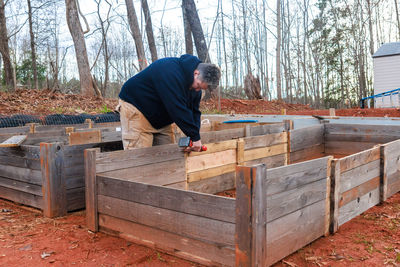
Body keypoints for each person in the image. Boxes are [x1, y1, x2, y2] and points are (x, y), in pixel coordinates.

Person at [117, 54, 221, 152]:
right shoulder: (169, 71)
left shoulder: (195, 89)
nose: (198, 90)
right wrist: (195, 138)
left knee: (169, 156)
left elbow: (194, 112)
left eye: (201, 89)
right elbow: (177, 108)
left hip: (160, 117)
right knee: (139, 159)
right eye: (198, 85)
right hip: (137, 108)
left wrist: (193, 137)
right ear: (196, 73)